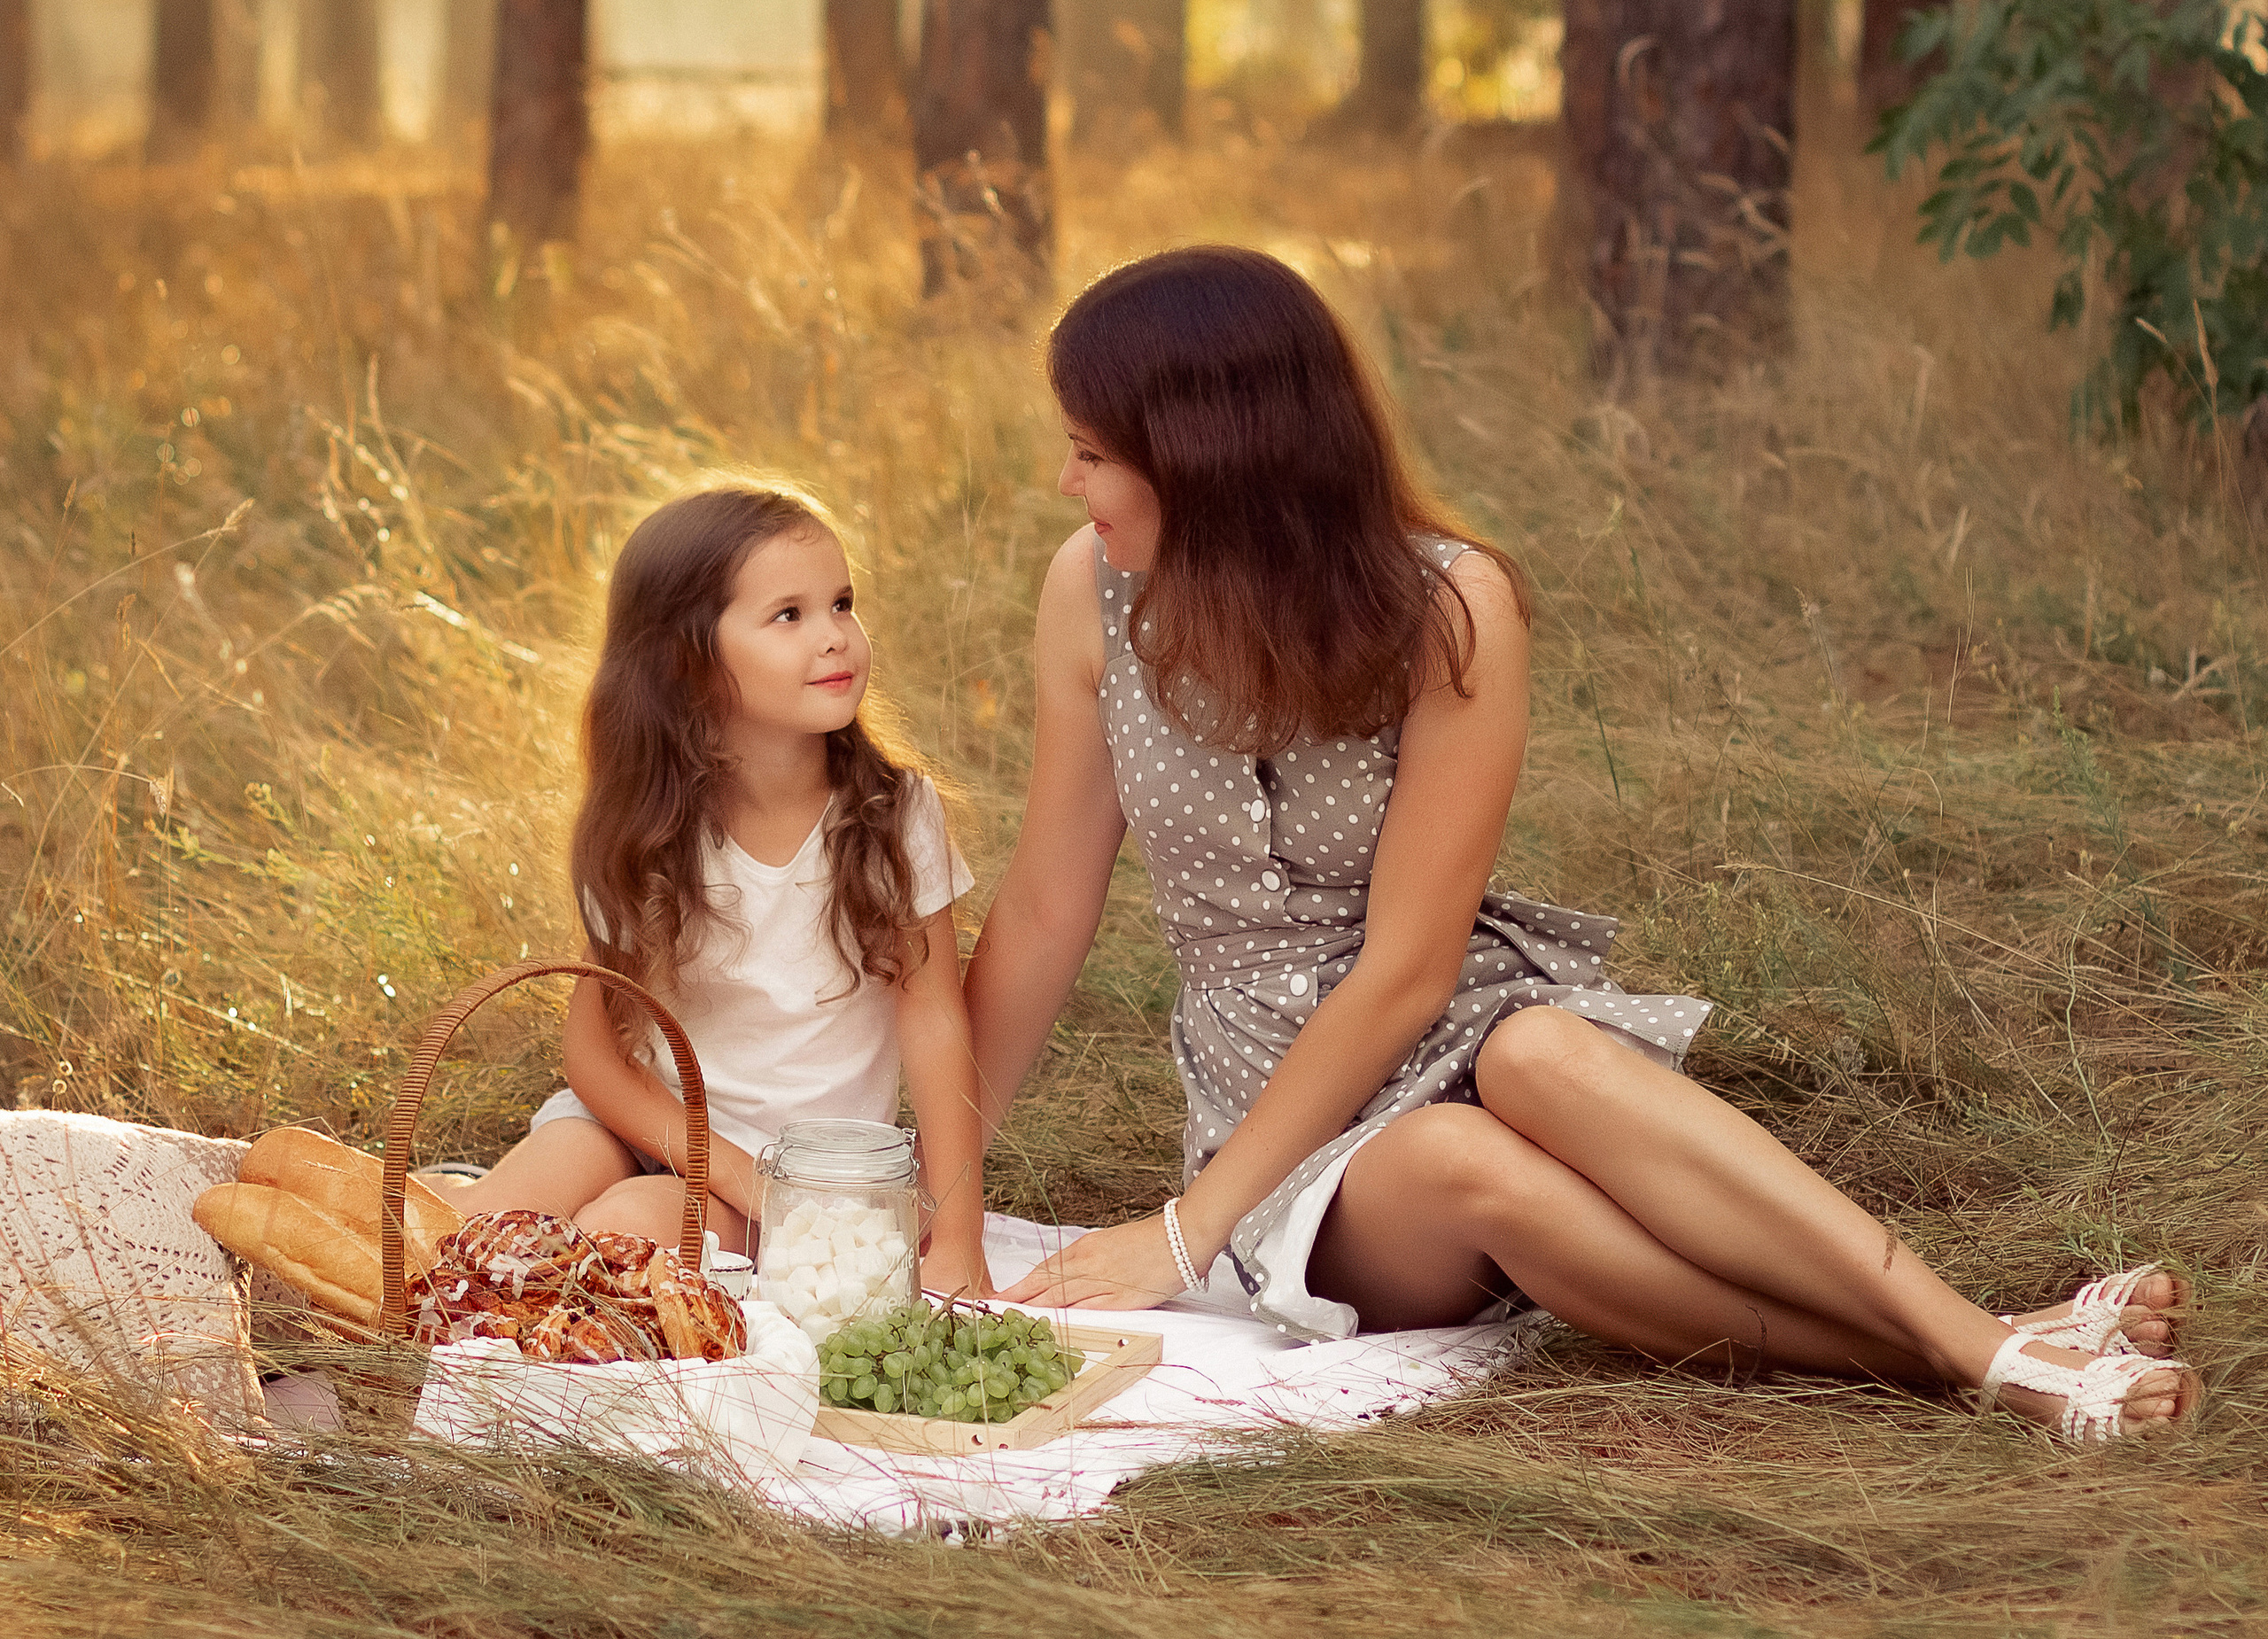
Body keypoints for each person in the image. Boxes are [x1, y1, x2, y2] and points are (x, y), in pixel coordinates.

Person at [964, 247, 2196, 1441]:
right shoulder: (1095, 592)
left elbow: (1409, 970)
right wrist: (940, 1180)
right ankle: (1977, 1346)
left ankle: (1973, 1345)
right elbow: (1042, 912)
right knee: (1459, 1160)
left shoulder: (1450, 607)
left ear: (1211, 461)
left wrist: (1173, 1240)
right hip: (1272, 1120)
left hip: (1443, 1023)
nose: (1068, 484)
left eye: (1090, 455)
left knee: (1542, 1048)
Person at [464, 483, 992, 1297]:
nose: (837, 638)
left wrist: (957, 1235)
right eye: (790, 615)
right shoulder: (644, 826)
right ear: (689, 663)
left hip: (792, 1184)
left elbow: (934, 1022)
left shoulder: (896, 818)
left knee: (618, 1236)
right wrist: (723, 1164)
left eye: (842, 604)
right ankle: (354, 1281)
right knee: (487, 1225)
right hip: (644, 1122)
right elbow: (594, 1050)